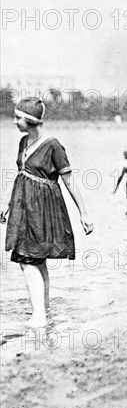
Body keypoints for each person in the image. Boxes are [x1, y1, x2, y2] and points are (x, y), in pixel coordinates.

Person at [0, 98, 94, 328]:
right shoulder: (23, 143)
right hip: (24, 208)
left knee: (28, 259)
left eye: (18, 118)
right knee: (35, 260)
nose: (14, 122)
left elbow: (70, 181)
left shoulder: (53, 145)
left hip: (43, 210)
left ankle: (39, 316)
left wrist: (84, 213)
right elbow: (21, 175)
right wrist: (7, 203)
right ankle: (44, 312)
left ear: (31, 121)